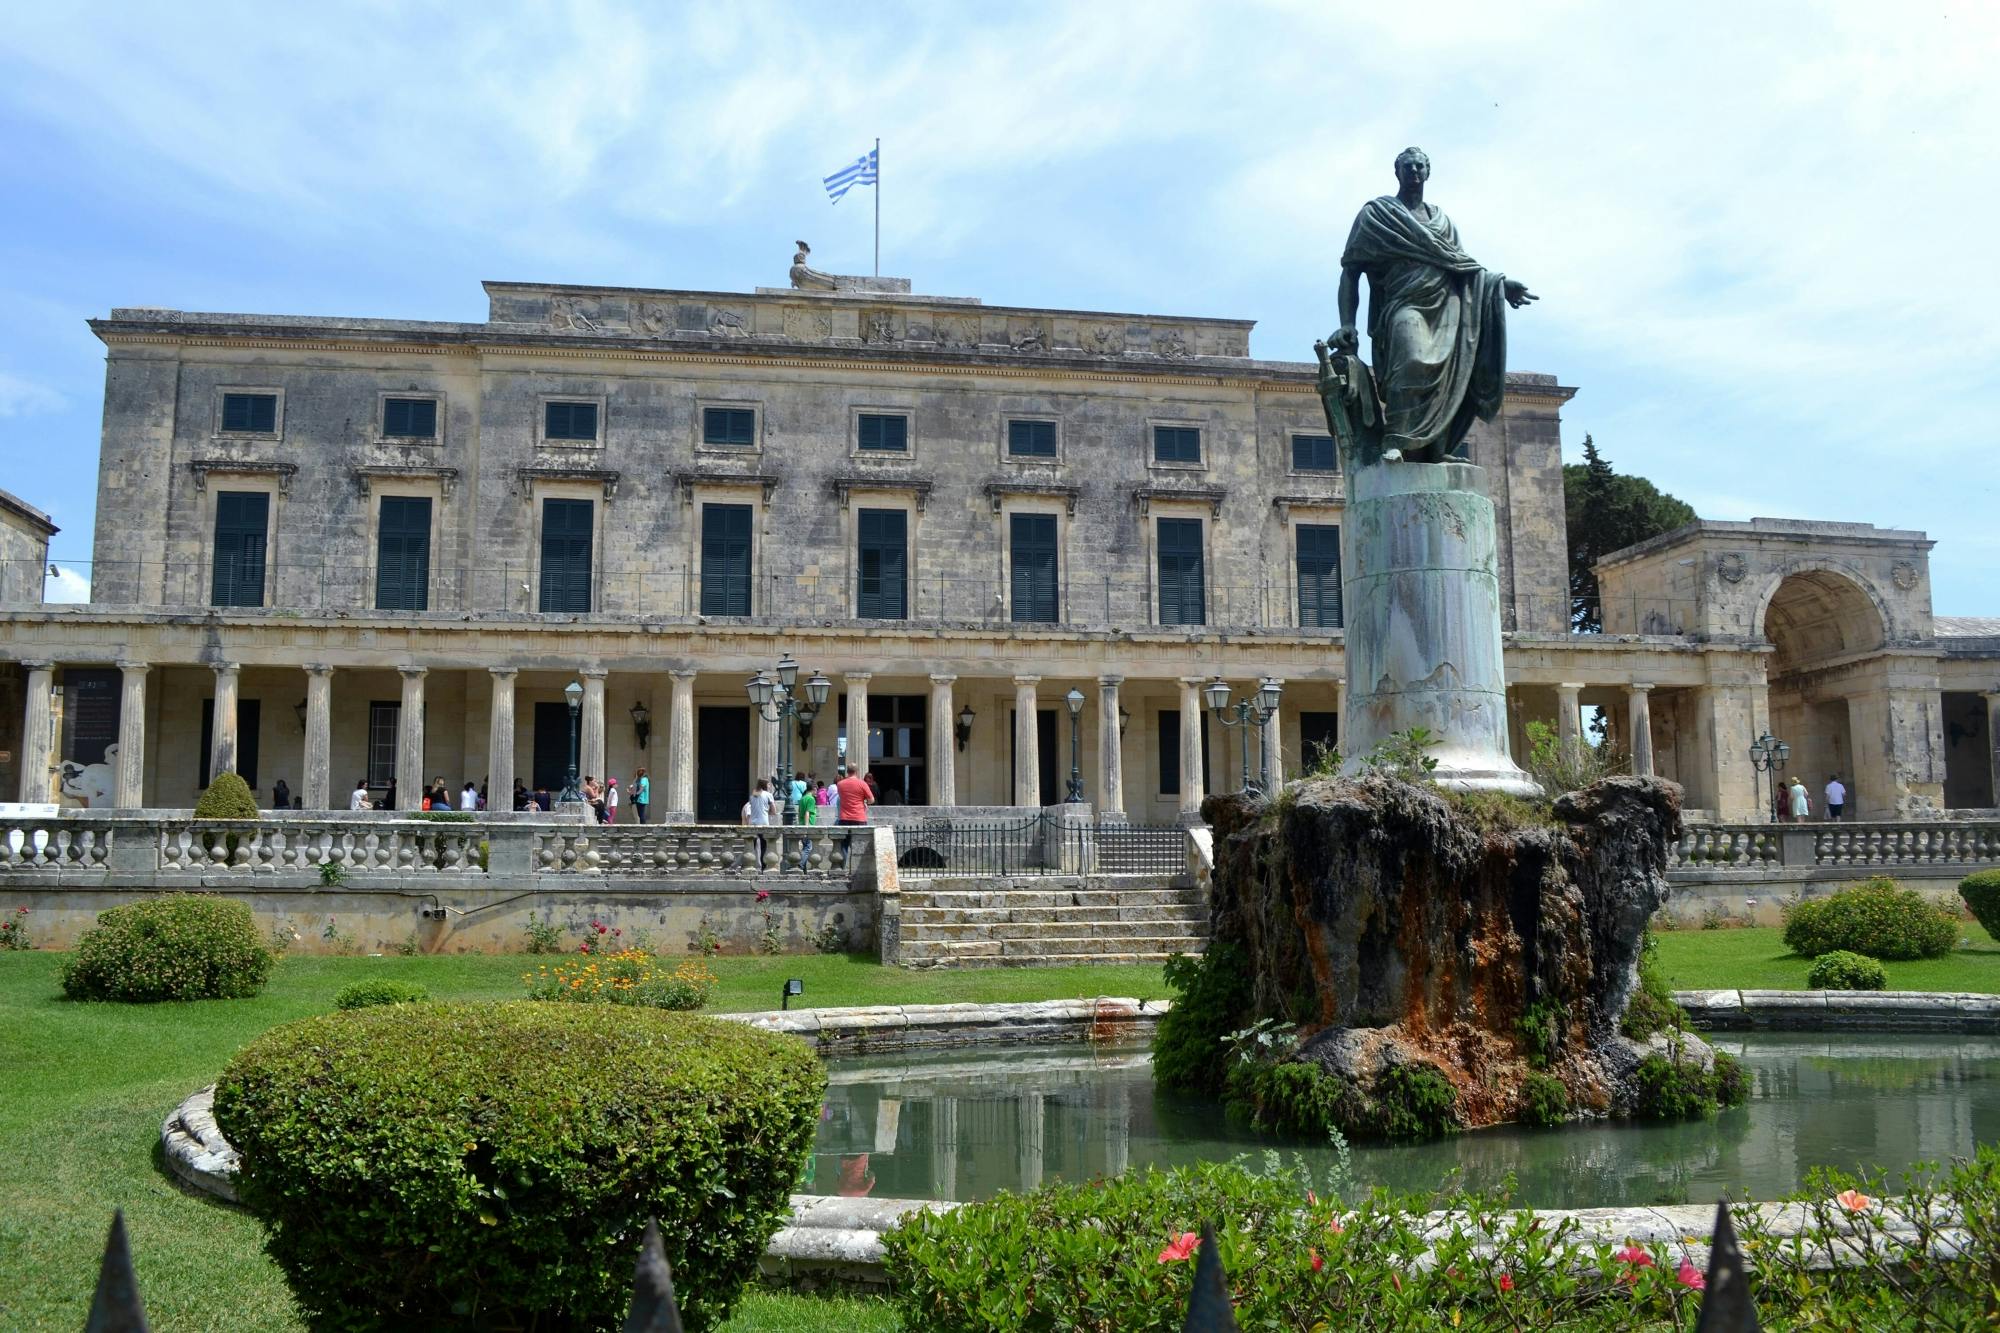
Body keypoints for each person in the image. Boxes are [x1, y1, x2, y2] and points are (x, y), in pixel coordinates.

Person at [1333, 146, 1537, 464]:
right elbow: (1351, 271)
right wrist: (1348, 323)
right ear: (1397, 172)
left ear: (1428, 172)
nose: (1414, 172)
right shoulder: (1377, 215)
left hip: (1448, 307)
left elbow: (1462, 267)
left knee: (1448, 377)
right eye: (1408, 167)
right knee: (1412, 360)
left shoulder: (1442, 221)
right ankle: (1396, 439)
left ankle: (1437, 450)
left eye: (1419, 167)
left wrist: (1500, 283)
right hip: (1404, 304)